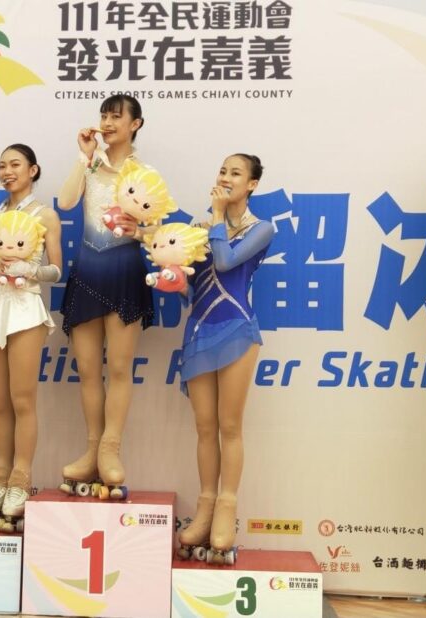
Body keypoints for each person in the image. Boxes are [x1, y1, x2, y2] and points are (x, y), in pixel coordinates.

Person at [178, 154, 274, 562]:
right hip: (199, 331)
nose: (226, 178)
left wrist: (215, 217)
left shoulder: (262, 228)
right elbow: (192, 288)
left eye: (235, 173)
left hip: (237, 330)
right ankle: (204, 508)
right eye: (222, 171)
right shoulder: (199, 230)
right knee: (204, 427)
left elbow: (226, 261)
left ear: (252, 184)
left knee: (229, 426)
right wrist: (175, 278)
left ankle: (226, 509)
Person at [58, 94, 154, 498]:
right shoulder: (91, 164)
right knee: (86, 368)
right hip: (87, 270)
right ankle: (92, 449)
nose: (108, 123)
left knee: (117, 367)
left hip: (125, 271)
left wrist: (141, 232)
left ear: (135, 124)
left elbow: (158, 229)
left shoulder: (145, 173)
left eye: (116, 116)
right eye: (104, 116)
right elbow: (65, 202)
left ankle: (111, 450)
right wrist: (84, 156)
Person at [0, 143, 61, 523]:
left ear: (33, 170)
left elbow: (56, 270)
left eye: (15, 164)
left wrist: (29, 270)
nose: (7, 171)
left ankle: (21, 481)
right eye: (2, 165)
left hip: (24, 310)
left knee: (22, 400)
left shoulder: (45, 214)